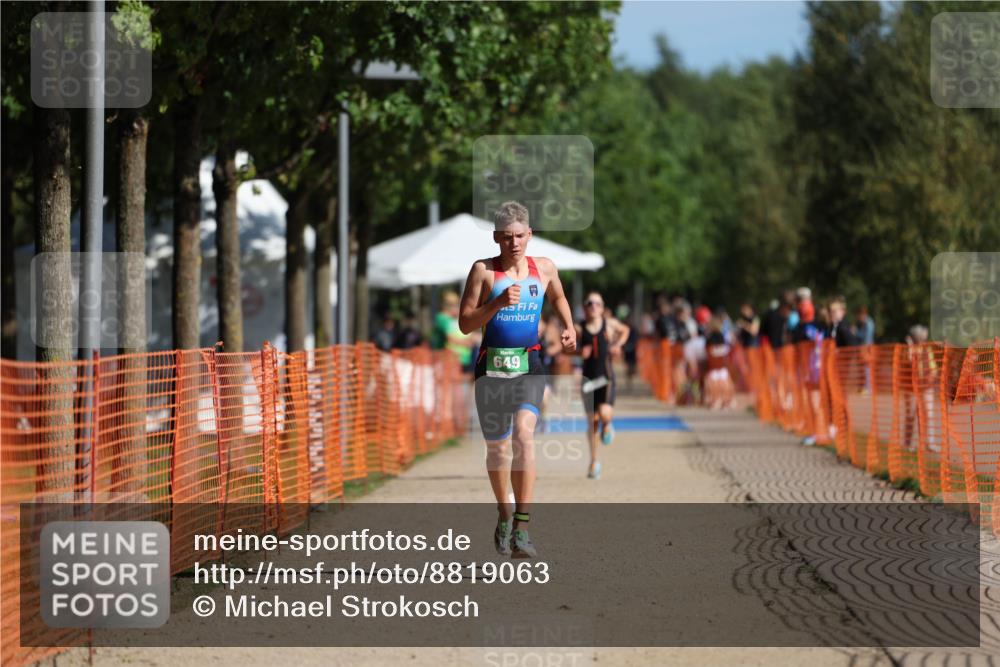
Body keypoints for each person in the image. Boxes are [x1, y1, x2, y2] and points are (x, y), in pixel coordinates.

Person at [459, 201, 576, 559]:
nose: (514, 243)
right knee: (498, 448)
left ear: (530, 235)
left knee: (525, 438)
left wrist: (569, 327)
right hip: (491, 367)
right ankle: (505, 513)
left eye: (520, 236)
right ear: (496, 237)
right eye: (507, 237)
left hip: (530, 365)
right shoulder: (483, 272)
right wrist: (495, 305)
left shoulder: (544, 268)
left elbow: (557, 295)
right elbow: (465, 323)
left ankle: (523, 528)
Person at [575, 291, 630, 479]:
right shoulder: (579, 328)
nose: (593, 307)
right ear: (584, 307)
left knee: (605, 413)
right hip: (588, 381)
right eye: (589, 303)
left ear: (603, 307)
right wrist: (578, 352)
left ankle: (608, 424)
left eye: (597, 303)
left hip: (606, 377)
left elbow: (625, 331)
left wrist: (618, 345)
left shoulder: (610, 324)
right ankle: (594, 461)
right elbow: (564, 348)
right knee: (592, 423)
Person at [433, 291, 473, 372]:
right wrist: (465, 343)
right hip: (446, 358)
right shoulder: (443, 318)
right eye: (454, 305)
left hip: (457, 358)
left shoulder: (451, 319)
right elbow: (450, 338)